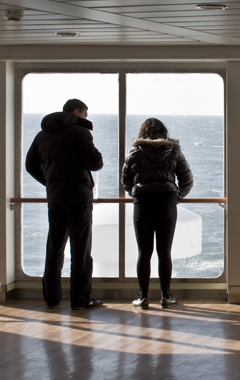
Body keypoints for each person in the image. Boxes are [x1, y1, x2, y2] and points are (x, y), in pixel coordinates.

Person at [25, 98, 104, 310]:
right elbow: (96, 163)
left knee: (54, 247)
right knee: (81, 250)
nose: (85, 119)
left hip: (55, 197)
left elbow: (30, 165)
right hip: (79, 197)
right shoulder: (80, 132)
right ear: (77, 112)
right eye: (84, 116)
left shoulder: (42, 135)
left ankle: (51, 297)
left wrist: (50, 182)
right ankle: (80, 299)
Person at [121, 118, 193, 309]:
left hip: (142, 203)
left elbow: (126, 179)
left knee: (144, 252)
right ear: (164, 133)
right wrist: (177, 196)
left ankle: (143, 297)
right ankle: (166, 297)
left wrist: (135, 193)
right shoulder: (174, 151)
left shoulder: (135, 153)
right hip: (166, 203)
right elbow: (187, 180)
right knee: (164, 252)